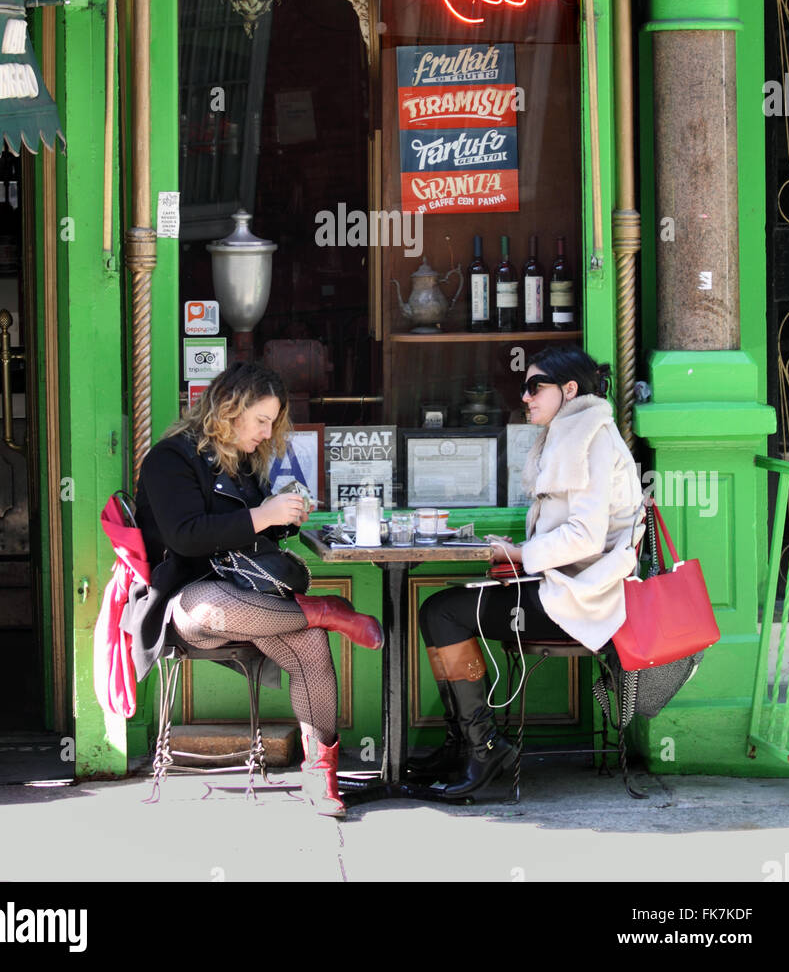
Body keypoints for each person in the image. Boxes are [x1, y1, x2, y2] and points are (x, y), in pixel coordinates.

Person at [126, 361, 383, 818]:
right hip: (183, 602)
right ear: (229, 409)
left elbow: (247, 540)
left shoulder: (241, 464)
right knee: (212, 605)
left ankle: (321, 775)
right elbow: (186, 535)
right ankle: (325, 608)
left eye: (272, 423)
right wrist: (262, 515)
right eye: (262, 420)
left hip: (252, 598)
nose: (267, 433)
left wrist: (280, 519)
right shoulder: (170, 459)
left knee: (309, 642)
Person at [409, 344, 644, 802]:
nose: (526, 397)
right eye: (524, 387)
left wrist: (521, 553)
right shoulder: (572, 432)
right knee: (437, 610)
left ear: (569, 389)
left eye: (536, 387)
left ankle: (484, 748)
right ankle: (465, 744)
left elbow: (586, 537)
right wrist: (521, 557)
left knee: (443, 614)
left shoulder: (591, 437)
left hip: (582, 598)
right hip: (559, 584)